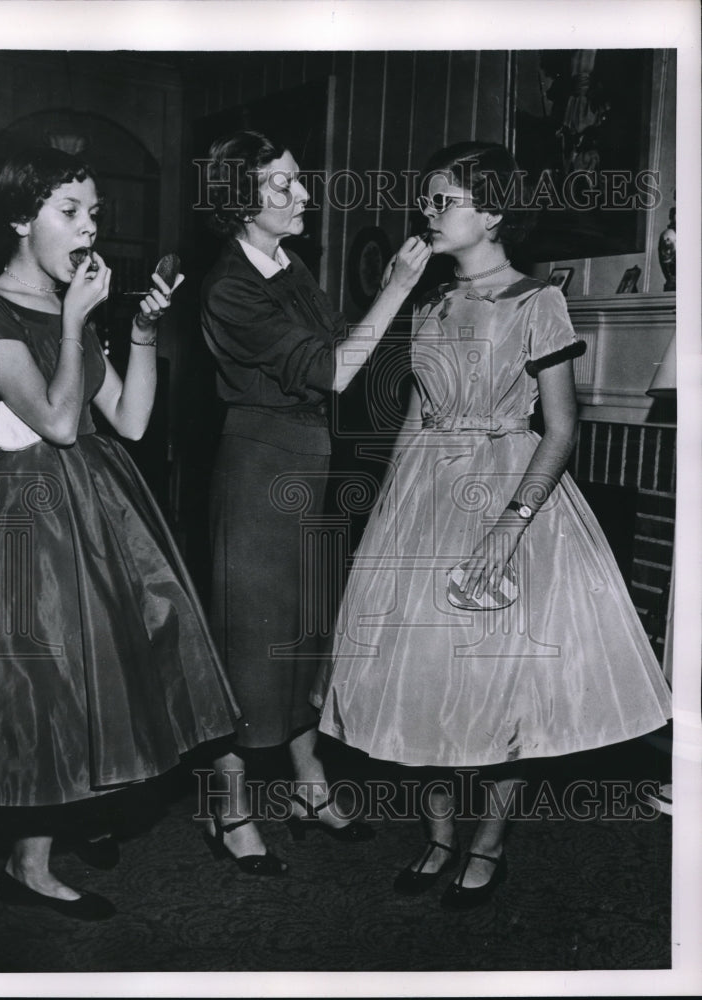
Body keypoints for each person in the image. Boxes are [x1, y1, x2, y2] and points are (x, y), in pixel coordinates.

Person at [311, 141, 673, 908]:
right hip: (423, 499)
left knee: (504, 684)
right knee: (426, 677)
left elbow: (562, 430)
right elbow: (416, 415)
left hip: (509, 496)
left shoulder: (536, 302)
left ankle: (488, 843)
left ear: (494, 212)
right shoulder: (432, 303)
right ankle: (439, 838)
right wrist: (386, 523)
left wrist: (510, 525)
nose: (428, 212)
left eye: (444, 200)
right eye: (428, 200)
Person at [0, 147, 240, 919]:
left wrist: (138, 330)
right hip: (23, 513)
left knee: (93, 670)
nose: (88, 228)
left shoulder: (71, 303)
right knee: (37, 680)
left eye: (95, 213)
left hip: (95, 509)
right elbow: (59, 421)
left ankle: (44, 847)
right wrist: (77, 321)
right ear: (20, 219)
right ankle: (29, 862)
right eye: (68, 212)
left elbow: (131, 421)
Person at [199, 130, 430, 874]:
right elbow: (333, 370)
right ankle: (228, 805)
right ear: (240, 196)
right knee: (251, 645)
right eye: (280, 186)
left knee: (304, 633)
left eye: (298, 182)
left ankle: (306, 785)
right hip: (259, 470)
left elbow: (346, 347)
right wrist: (396, 285)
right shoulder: (229, 285)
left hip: (309, 462)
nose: (302, 195)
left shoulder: (289, 265)